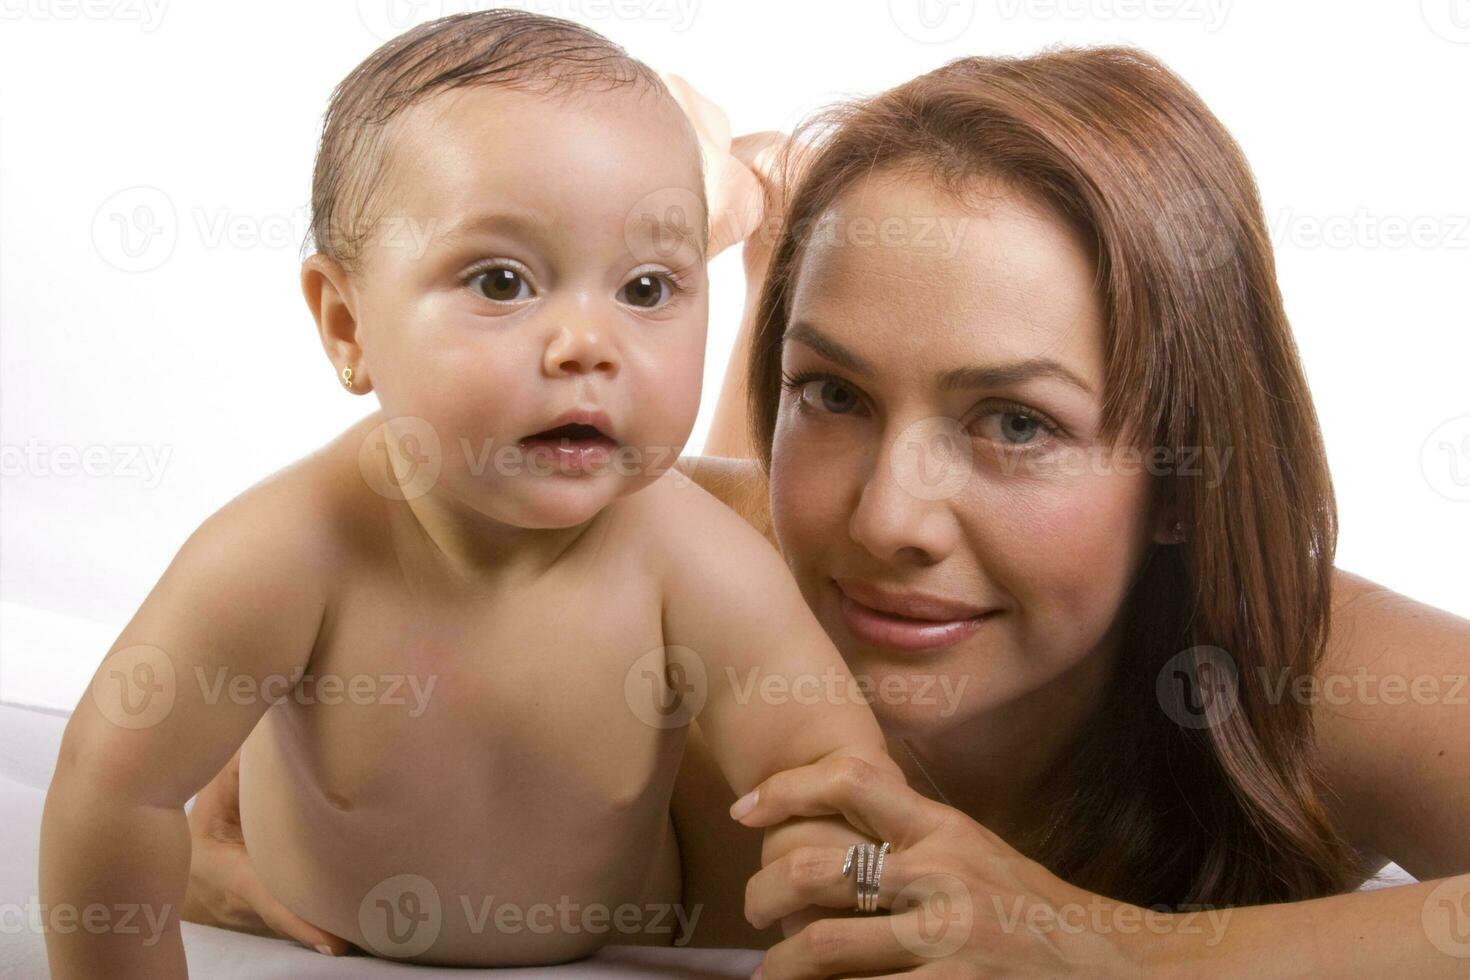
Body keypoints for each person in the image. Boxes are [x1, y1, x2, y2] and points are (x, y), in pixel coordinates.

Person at [190, 44, 1470, 977]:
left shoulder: (1292, 667)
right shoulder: (615, 556)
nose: (893, 517)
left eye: (1016, 422)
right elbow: (300, 598)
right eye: (833, 389)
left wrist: (1105, 947)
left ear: (1189, 470)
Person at [38, 11, 899, 975]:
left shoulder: (692, 558)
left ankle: (745, 205)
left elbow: (831, 776)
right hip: (328, 918)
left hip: (632, 927)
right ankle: (723, 196)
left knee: (752, 487)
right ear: (347, 325)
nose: (587, 343)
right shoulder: (288, 550)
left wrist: (832, 885)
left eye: (649, 290)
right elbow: (112, 788)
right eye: (500, 280)